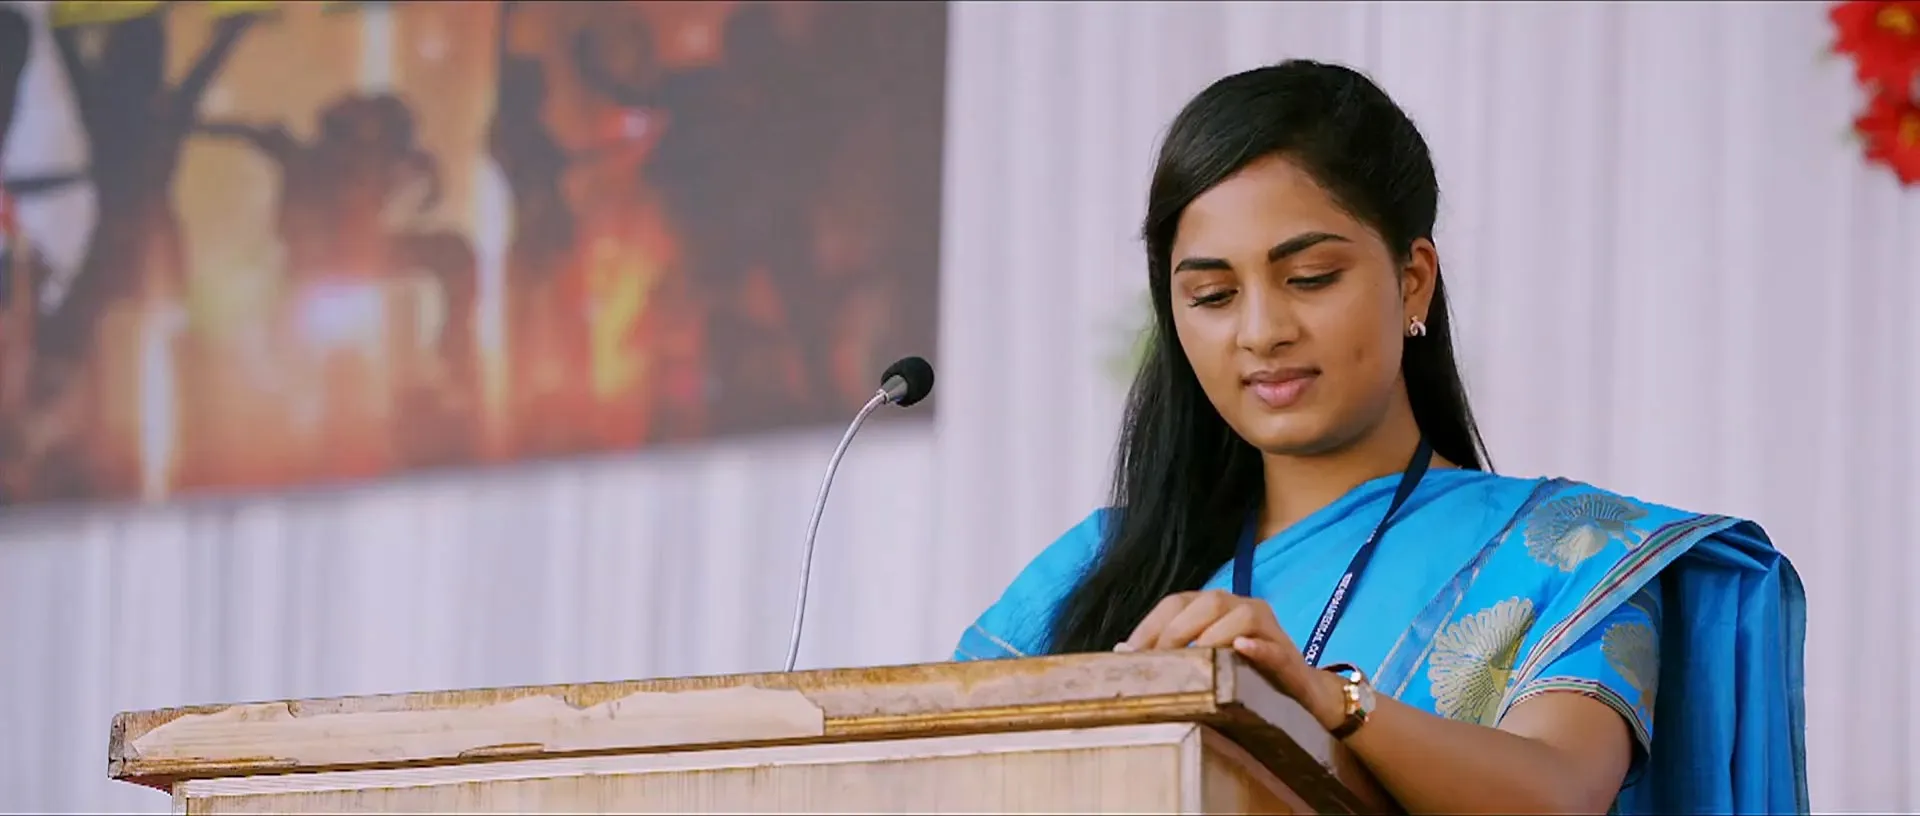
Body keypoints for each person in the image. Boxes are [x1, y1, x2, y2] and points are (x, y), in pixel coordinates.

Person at [953, 60, 1807, 815]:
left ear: (1413, 280)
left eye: (1309, 278)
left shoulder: (1569, 551)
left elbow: (1557, 792)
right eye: (1212, 296)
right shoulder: (1094, 570)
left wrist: (1324, 700)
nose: (1262, 331)